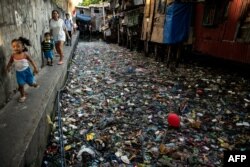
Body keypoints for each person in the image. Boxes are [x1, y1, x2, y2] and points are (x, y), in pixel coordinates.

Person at [6, 37, 39, 103]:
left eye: (18, 46)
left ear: (23, 47)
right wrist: (8, 67)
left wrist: (35, 68)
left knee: (30, 84)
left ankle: (33, 83)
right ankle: (23, 95)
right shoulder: (13, 55)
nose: (15, 48)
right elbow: (10, 62)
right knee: (20, 85)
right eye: (14, 46)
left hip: (27, 72)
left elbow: (31, 61)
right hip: (19, 73)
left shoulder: (25, 54)